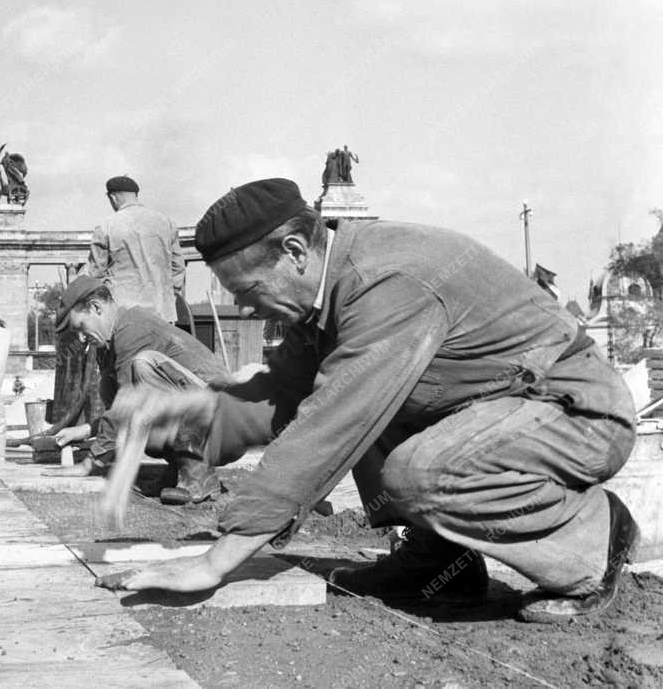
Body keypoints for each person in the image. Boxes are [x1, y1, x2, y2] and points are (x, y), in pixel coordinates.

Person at [104, 178, 638, 624]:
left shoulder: (383, 280)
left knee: (416, 469)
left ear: (293, 251)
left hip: (576, 411)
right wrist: (186, 417)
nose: (253, 310)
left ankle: (593, 540)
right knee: (364, 405)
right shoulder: (327, 291)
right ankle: (438, 563)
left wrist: (215, 562)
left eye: (249, 292)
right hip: (503, 409)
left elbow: (327, 428)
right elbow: (281, 397)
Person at [46, 275, 230, 504]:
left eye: (81, 327)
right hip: (205, 413)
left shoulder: (133, 330)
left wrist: (90, 463)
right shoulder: (114, 340)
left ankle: (198, 476)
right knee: (109, 385)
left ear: (96, 307)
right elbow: (119, 412)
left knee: (142, 366)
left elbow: (126, 406)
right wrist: (84, 431)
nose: (82, 338)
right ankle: (180, 469)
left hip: (225, 417)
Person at [85, 175, 186, 323]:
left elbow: (95, 274)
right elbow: (178, 267)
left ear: (113, 198)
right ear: (136, 196)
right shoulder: (167, 223)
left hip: (123, 315)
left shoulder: (106, 227)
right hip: (162, 314)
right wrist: (169, 296)